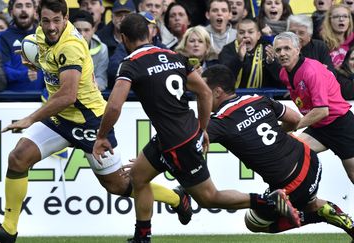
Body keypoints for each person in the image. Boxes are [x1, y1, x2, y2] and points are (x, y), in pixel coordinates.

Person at [0, 1, 192, 242]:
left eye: (57, 20)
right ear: (39, 17)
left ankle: (176, 197)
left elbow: (68, 95)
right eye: (46, 21)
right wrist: (37, 62)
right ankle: (8, 229)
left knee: (118, 185)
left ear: (66, 17)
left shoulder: (72, 46)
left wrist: (30, 118)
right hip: (61, 119)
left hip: (90, 121)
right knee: (17, 158)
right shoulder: (39, 34)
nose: (51, 26)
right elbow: (51, 64)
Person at [93, 13, 300, 243]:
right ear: (150, 33)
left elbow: (113, 107)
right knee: (138, 177)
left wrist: (102, 136)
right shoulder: (174, 56)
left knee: (209, 198)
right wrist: (201, 129)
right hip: (175, 136)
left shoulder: (130, 65)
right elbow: (203, 92)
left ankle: (267, 201)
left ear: (122, 37)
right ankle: (143, 236)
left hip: (178, 144)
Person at [202, 64, 354, 239]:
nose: (200, 96)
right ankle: (337, 219)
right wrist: (279, 136)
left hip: (291, 185)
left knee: (253, 222)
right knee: (308, 203)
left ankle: (316, 215)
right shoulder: (257, 98)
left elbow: (189, 142)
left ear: (218, 92)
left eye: (203, 91)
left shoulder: (218, 123)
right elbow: (295, 119)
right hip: (310, 159)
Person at [273, 31, 354, 184]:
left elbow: (322, 110)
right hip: (319, 127)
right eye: (278, 50)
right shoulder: (284, 73)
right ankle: (304, 199)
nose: (282, 53)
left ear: (297, 50)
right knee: (289, 153)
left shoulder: (311, 70)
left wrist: (291, 126)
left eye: (287, 48)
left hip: (341, 125)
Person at [0, 0, 45, 92]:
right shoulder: (1, 38)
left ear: (35, 11)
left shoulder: (44, 36)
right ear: (11, 12)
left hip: (40, 98)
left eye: (28, 6)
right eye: (19, 6)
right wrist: (24, 75)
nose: (23, 9)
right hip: (12, 99)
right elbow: (1, 69)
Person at [107, 11, 166, 88]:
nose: (141, 29)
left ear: (155, 31)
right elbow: (113, 69)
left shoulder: (163, 49)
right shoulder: (124, 45)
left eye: (145, 26)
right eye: (138, 26)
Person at [219, 19, 282, 88]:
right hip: (233, 96)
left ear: (258, 35)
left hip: (261, 96)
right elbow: (224, 77)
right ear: (236, 35)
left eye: (250, 32)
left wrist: (271, 63)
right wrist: (239, 58)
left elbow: (280, 79)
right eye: (241, 32)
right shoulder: (228, 50)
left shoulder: (267, 50)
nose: (246, 35)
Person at [70, 9, 108, 91]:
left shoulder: (102, 49)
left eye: (86, 30)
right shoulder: (61, 48)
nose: (82, 35)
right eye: (78, 30)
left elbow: (102, 81)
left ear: (93, 30)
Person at [320, 4, 354, 69]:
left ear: (349, 20)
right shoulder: (321, 43)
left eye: (345, 16)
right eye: (336, 16)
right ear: (329, 20)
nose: (341, 19)